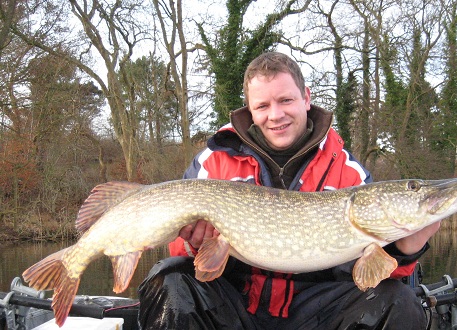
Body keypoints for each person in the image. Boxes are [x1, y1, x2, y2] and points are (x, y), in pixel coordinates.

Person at [138, 52, 439, 329]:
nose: (275, 115)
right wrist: (195, 243)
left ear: (306, 98)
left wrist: (403, 249)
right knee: (170, 279)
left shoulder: (348, 172)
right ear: (250, 111)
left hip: (317, 311)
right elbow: (181, 253)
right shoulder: (215, 161)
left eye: (285, 100)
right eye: (263, 106)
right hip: (234, 307)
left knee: (399, 302)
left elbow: (375, 273)